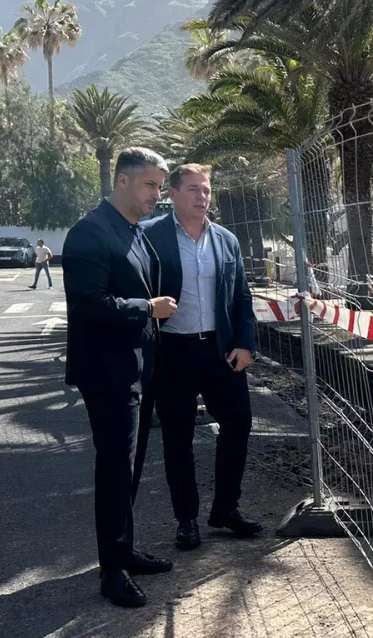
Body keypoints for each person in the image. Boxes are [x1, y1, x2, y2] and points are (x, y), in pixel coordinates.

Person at [63, 147, 178, 608]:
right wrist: (147, 308)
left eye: (159, 186)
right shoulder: (90, 232)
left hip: (139, 369)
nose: (157, 194)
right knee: (115, 469)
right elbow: (88, 302)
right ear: (123, 181)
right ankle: (112, 572)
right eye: (150, 184)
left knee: (129, 468)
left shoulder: (133, 232)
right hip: (108, 372)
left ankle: (124, 552)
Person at [144, 162, 262, 551]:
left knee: (239, 423)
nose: (202, 196)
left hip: (220, 349)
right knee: (177, 436)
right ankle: (187, 519)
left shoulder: (226, 240)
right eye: (193, 189)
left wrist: (245, 344)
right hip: (173, 350)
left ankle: (226, 508)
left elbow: (241, 295)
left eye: (207, 189)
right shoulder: (150, 236)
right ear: (173, 194)